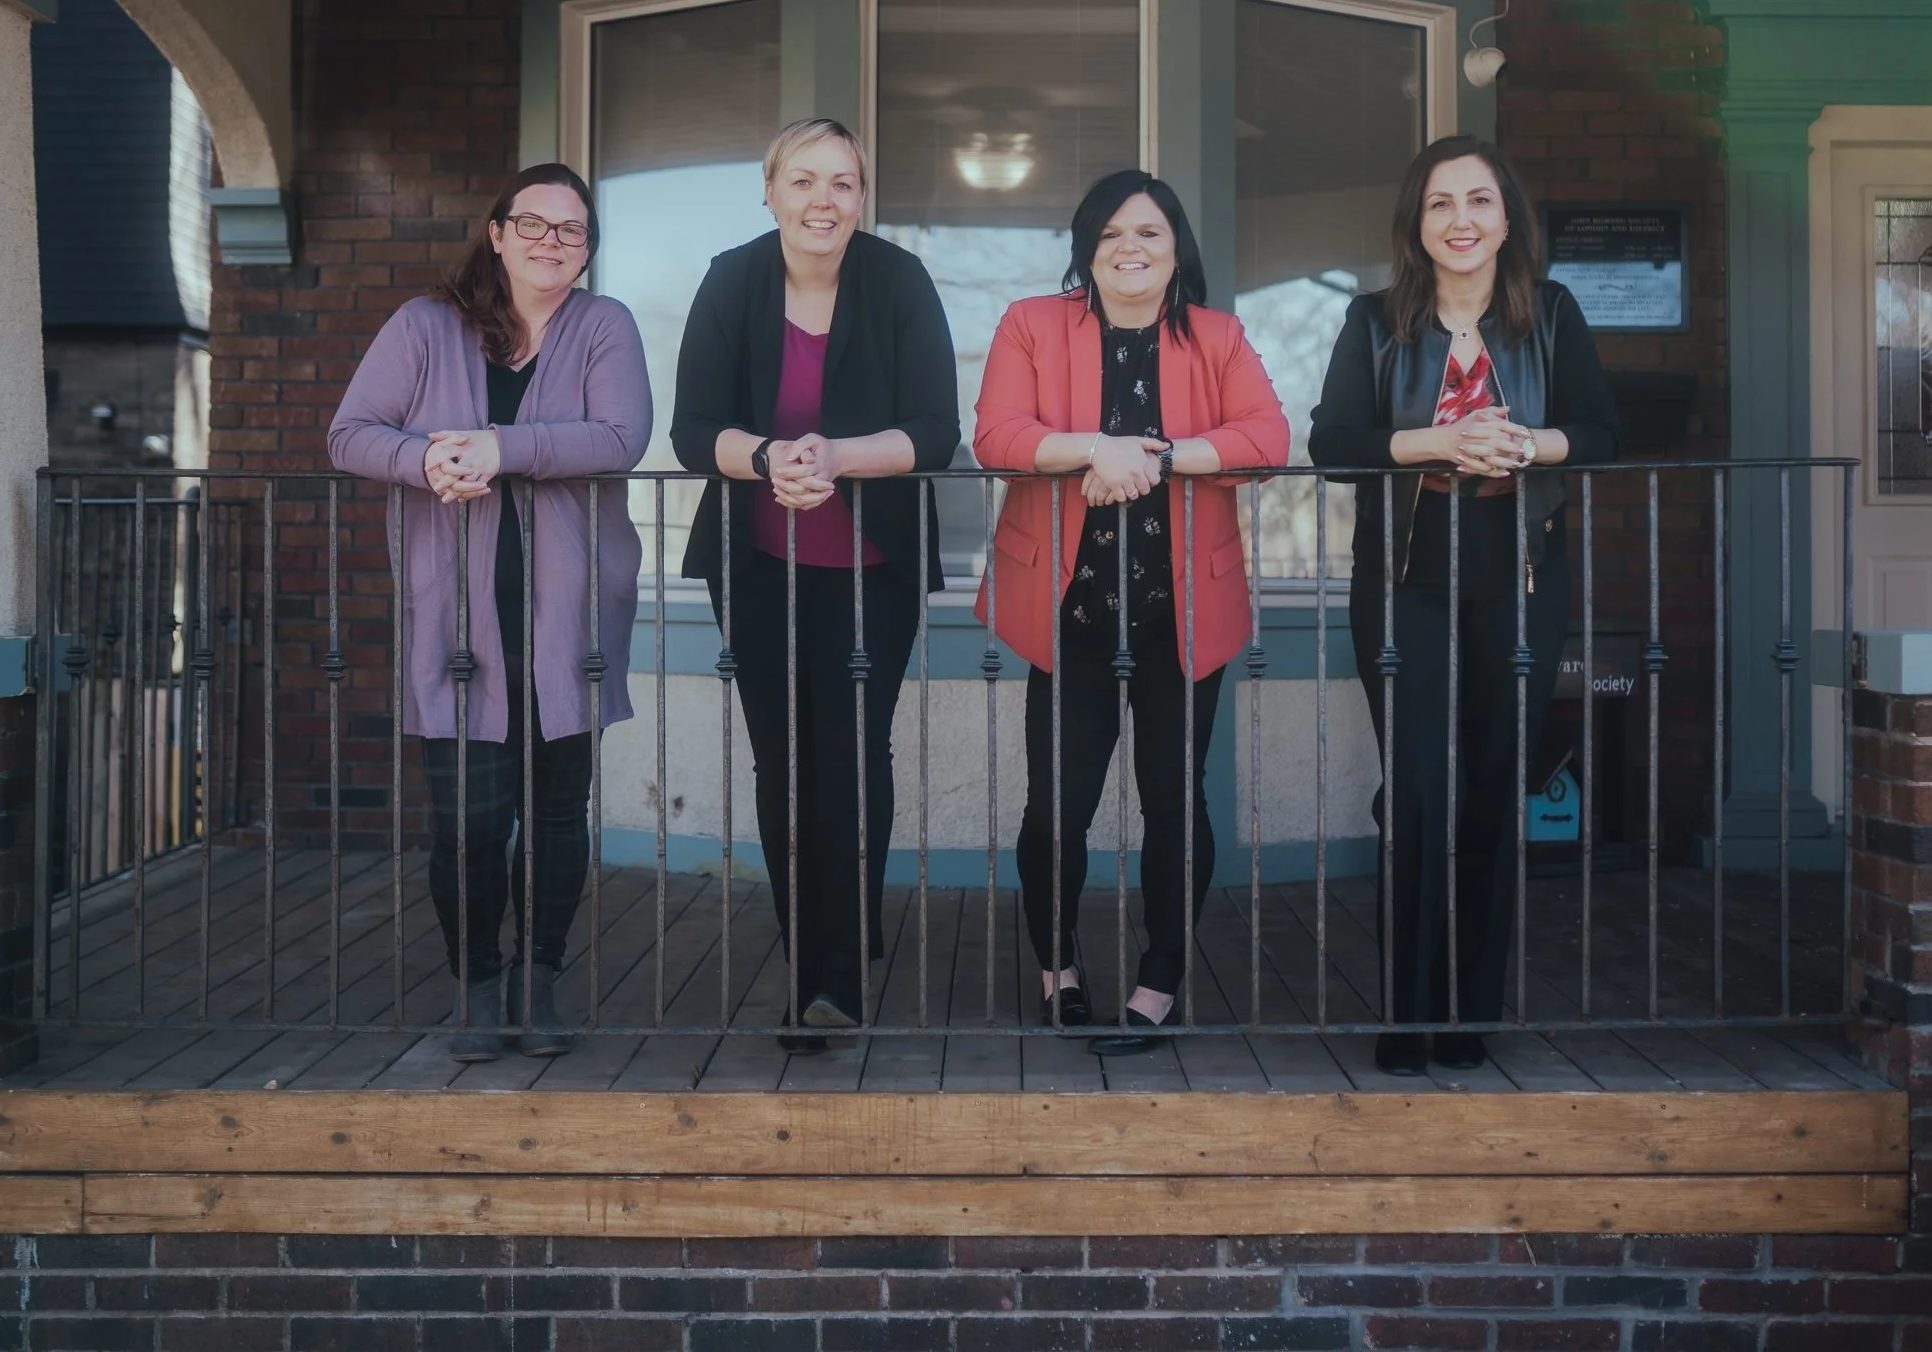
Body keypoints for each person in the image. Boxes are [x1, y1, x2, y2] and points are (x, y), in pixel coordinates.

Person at [1308, 135, 1618, 1078]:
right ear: (1418, 222)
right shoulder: (1372, 320)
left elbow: (1600, 431)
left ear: (1507, 217)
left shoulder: (1552, 314)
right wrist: (1435, 440)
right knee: (1418, 787)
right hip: (1406, 575)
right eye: (1441, 204)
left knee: (1491, 787)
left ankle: (1469, 1008)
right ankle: (1408, 1011)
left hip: (1519, 570)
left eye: (1479, 201)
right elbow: (1331, 440)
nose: (1462, 221)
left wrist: (1523, 444)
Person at [329, 163, 653, 1060]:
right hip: (457, 620)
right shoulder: (427, 326)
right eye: (537, 224)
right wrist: (422, 463)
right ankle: (476, 981)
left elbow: (623, 436)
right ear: (498, 231)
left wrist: (497, 447)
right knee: (467, 820)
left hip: (572, 616)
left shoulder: (604, 326)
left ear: (588, 249)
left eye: (574, 230)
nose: (555, 242)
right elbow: (351, 431)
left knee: (555, 815)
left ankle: (537, 980)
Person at [974, 170, 1288, 1052]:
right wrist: (1092, 451)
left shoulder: (1216, 336)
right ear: (1086, 250)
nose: (1131, 248)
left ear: (1176, 246)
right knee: (1055, 809)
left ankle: (1161, 975)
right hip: (1066, 612)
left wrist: (1166, 454)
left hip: (1180, 618)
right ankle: (1058, 962)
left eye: (1149, 232)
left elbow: (1267, 437)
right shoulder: (1033, 324)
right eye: (1110, 234)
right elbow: (996, 434)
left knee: (1174, 803)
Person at [670, 117, 959, 1051]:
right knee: (782, 763)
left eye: (842, 182)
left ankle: (835, 973)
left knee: (852, 759)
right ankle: (815, 948)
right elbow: (692, 429)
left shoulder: (899, 281)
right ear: (770, 191)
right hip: (758, 566)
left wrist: (834, 455)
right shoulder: (731, 278)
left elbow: (933, 429)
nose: (823, 200)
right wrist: (765, 458)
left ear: (861, 197)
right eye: (803, 180)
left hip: (871, 572)